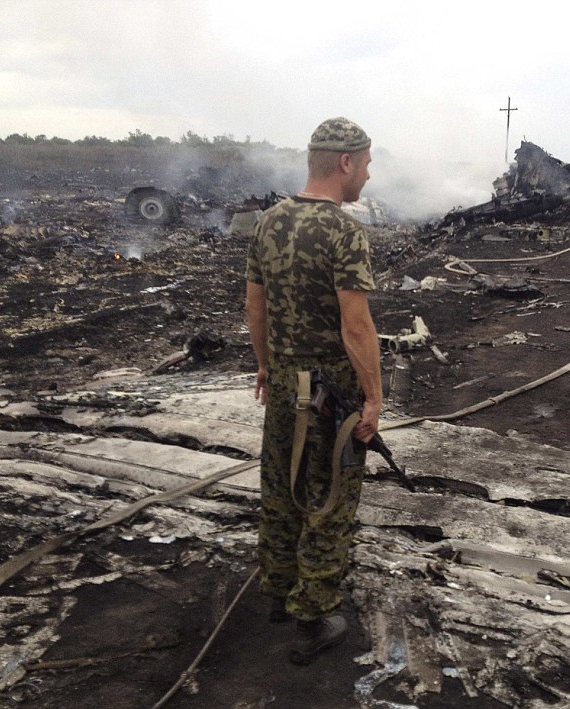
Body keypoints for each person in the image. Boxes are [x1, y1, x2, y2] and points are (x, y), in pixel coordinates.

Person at [245, 117, 381, 665]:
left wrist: (264, 365)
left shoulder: (268, 222)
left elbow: (255, 307)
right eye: (367, 164)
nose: (368, 176)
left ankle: (279, 590)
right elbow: (356, 327)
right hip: (331, 392)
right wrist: (373, 397)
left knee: (280, 485)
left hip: (281, 382)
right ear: (345, 163)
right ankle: (316, 607)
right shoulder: (346, 232)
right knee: (329, 498)